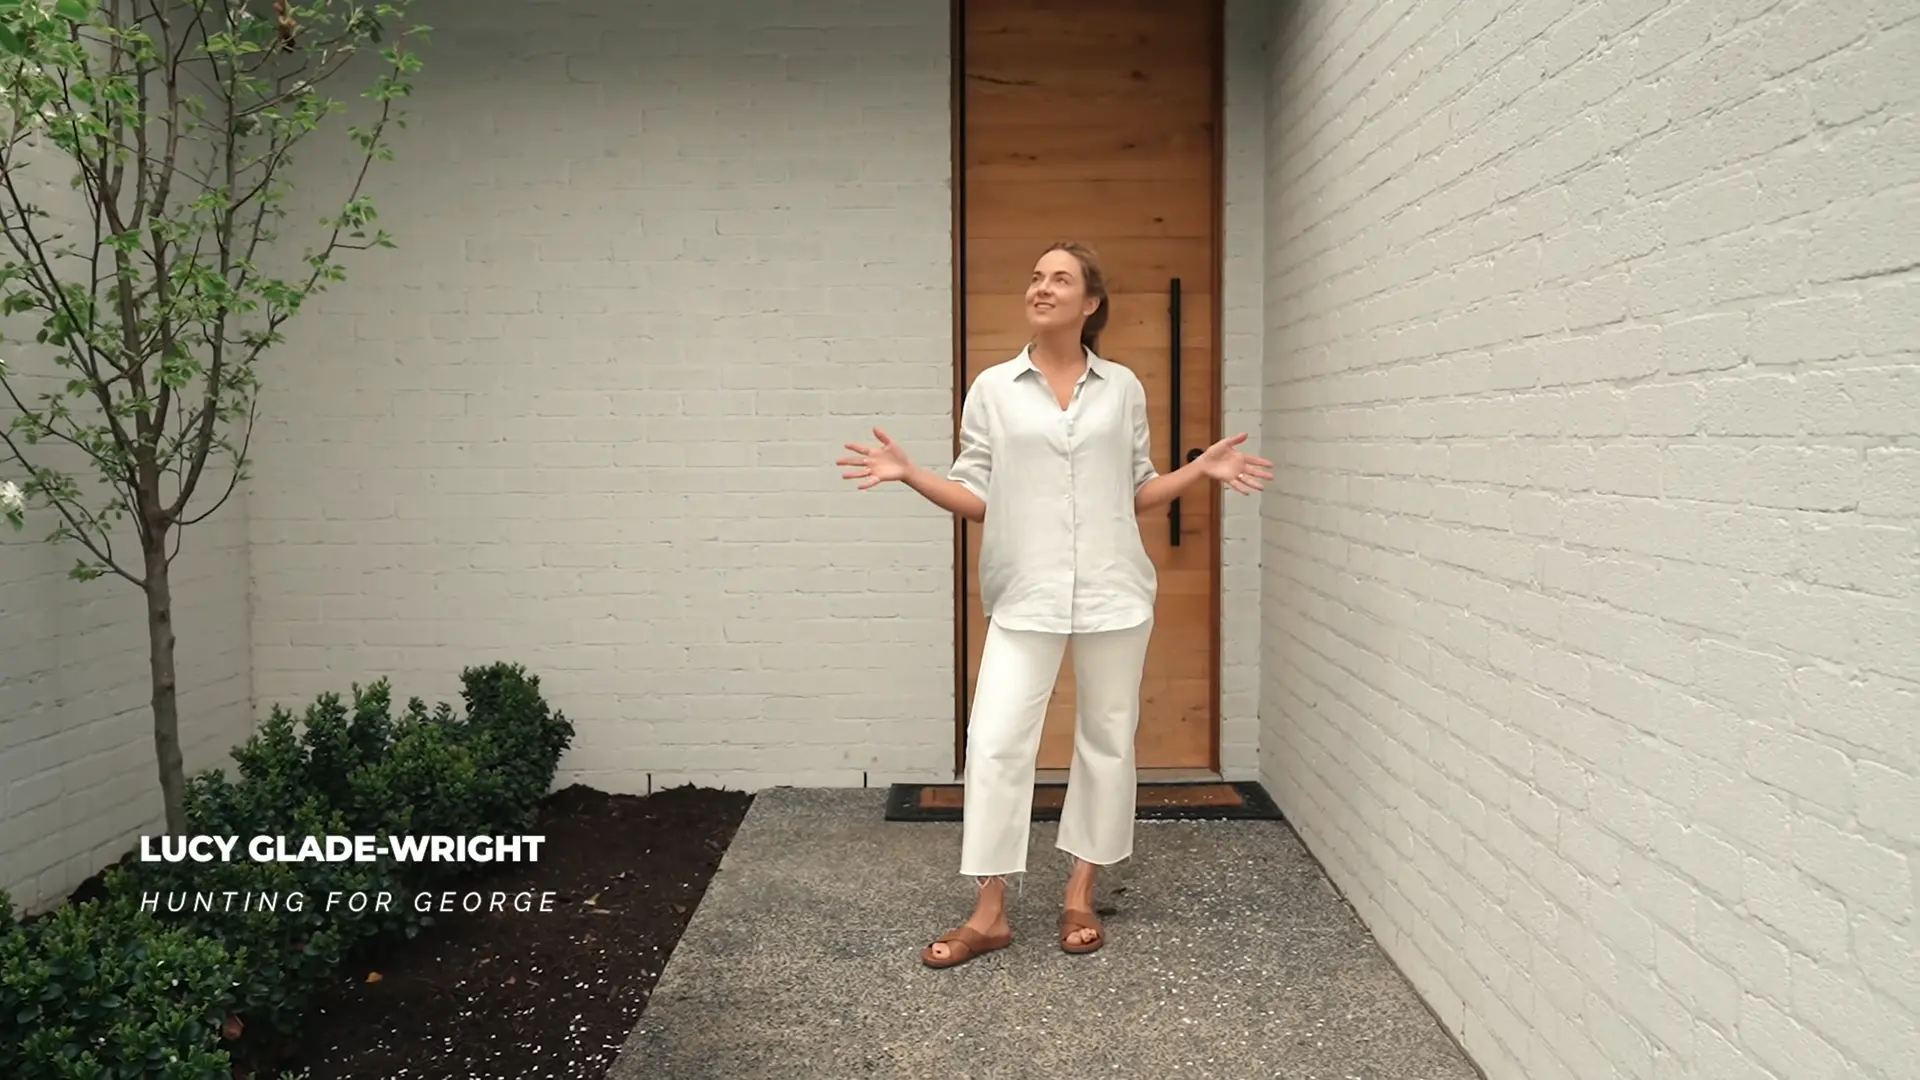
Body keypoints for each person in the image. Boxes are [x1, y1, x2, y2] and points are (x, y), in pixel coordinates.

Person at [836, 241, 1272, 968]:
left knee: (1105, 739)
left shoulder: (1123, 388)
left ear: (1090, 303)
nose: (1042, 287)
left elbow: (1135, 488)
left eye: (1060, 278)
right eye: (1035, 276)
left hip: (1114, 590)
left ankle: (1080, 892)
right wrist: (911, 475)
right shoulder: (993, 389)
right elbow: (977, 495)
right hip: (1024, 590)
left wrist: (1197, 471)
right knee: (997, 741)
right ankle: (991, 909)